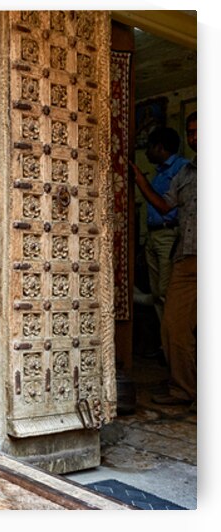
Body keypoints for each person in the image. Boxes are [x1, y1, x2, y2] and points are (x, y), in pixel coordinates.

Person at [128, 112, 197, 407]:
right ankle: (186, 390)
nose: (195, 138)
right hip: (187, 256)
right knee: (172, 325)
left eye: (200, 131)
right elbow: (165, 205)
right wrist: (141, 180)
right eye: (191, 132)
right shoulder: (188, 173)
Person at [130, 127, 189, 327]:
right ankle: (166, 344)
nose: (146, 152)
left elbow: (164, 206)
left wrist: (141, 181)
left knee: (166, 292)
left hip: (169, 235)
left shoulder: (183, 169)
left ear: (160, 147)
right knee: (156, 293)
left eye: (149, 147)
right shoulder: (160, 173)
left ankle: (175, 345)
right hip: (154, 236)